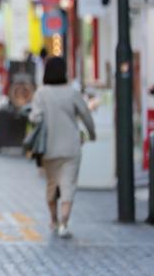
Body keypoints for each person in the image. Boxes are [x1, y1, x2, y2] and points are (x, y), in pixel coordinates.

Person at [29, 56, 96, 238]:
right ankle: (64, 224)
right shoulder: (72, 92)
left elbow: (34, 118)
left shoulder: (41, 94)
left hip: (49, 148)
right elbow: (86, 115)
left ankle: (54, 220)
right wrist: (92, 134)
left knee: (52, 185)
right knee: (68, 186)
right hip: (71, 147)